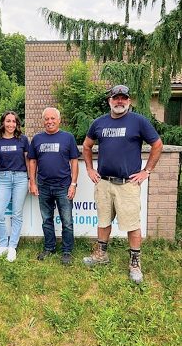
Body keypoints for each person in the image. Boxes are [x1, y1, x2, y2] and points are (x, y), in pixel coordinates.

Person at [82, 85, 163, 283]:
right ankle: (101, 255)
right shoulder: (99, 123)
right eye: (116, 98)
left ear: (129, 101)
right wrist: (90, 170)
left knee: (132, 225)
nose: (120, 101)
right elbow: (86, 146)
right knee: (103, 221)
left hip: (127, 185)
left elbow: (157, 144)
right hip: (104, 183)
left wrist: (147, 171)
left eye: (123, 98)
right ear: (110, 100)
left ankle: (135, 263)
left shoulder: (139, 121)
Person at [28, 107, 80, 265]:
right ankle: (49, 248)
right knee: (47, 220)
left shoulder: (68, 137)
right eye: (46, 119)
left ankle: (67, 251)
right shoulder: (37, 139)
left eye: (53, 118)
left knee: (67, 221)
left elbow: (74, 161)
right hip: (43, 186)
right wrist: (32, 182)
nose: (49, 121)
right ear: (43, 120)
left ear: (59, 120)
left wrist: (73, 184)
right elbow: (32, 161)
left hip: (63, 186)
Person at [0, 111, 30, 262]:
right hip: (3, 179)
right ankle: (2, 245)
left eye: (14, 122)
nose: (11, 124)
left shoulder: (23, 140)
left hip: (21, 178)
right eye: (8, 121)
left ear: (17, 124)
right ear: (3, 123)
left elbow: (28, 161)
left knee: (16, 215)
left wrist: (30, 180)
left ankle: (12, 247)